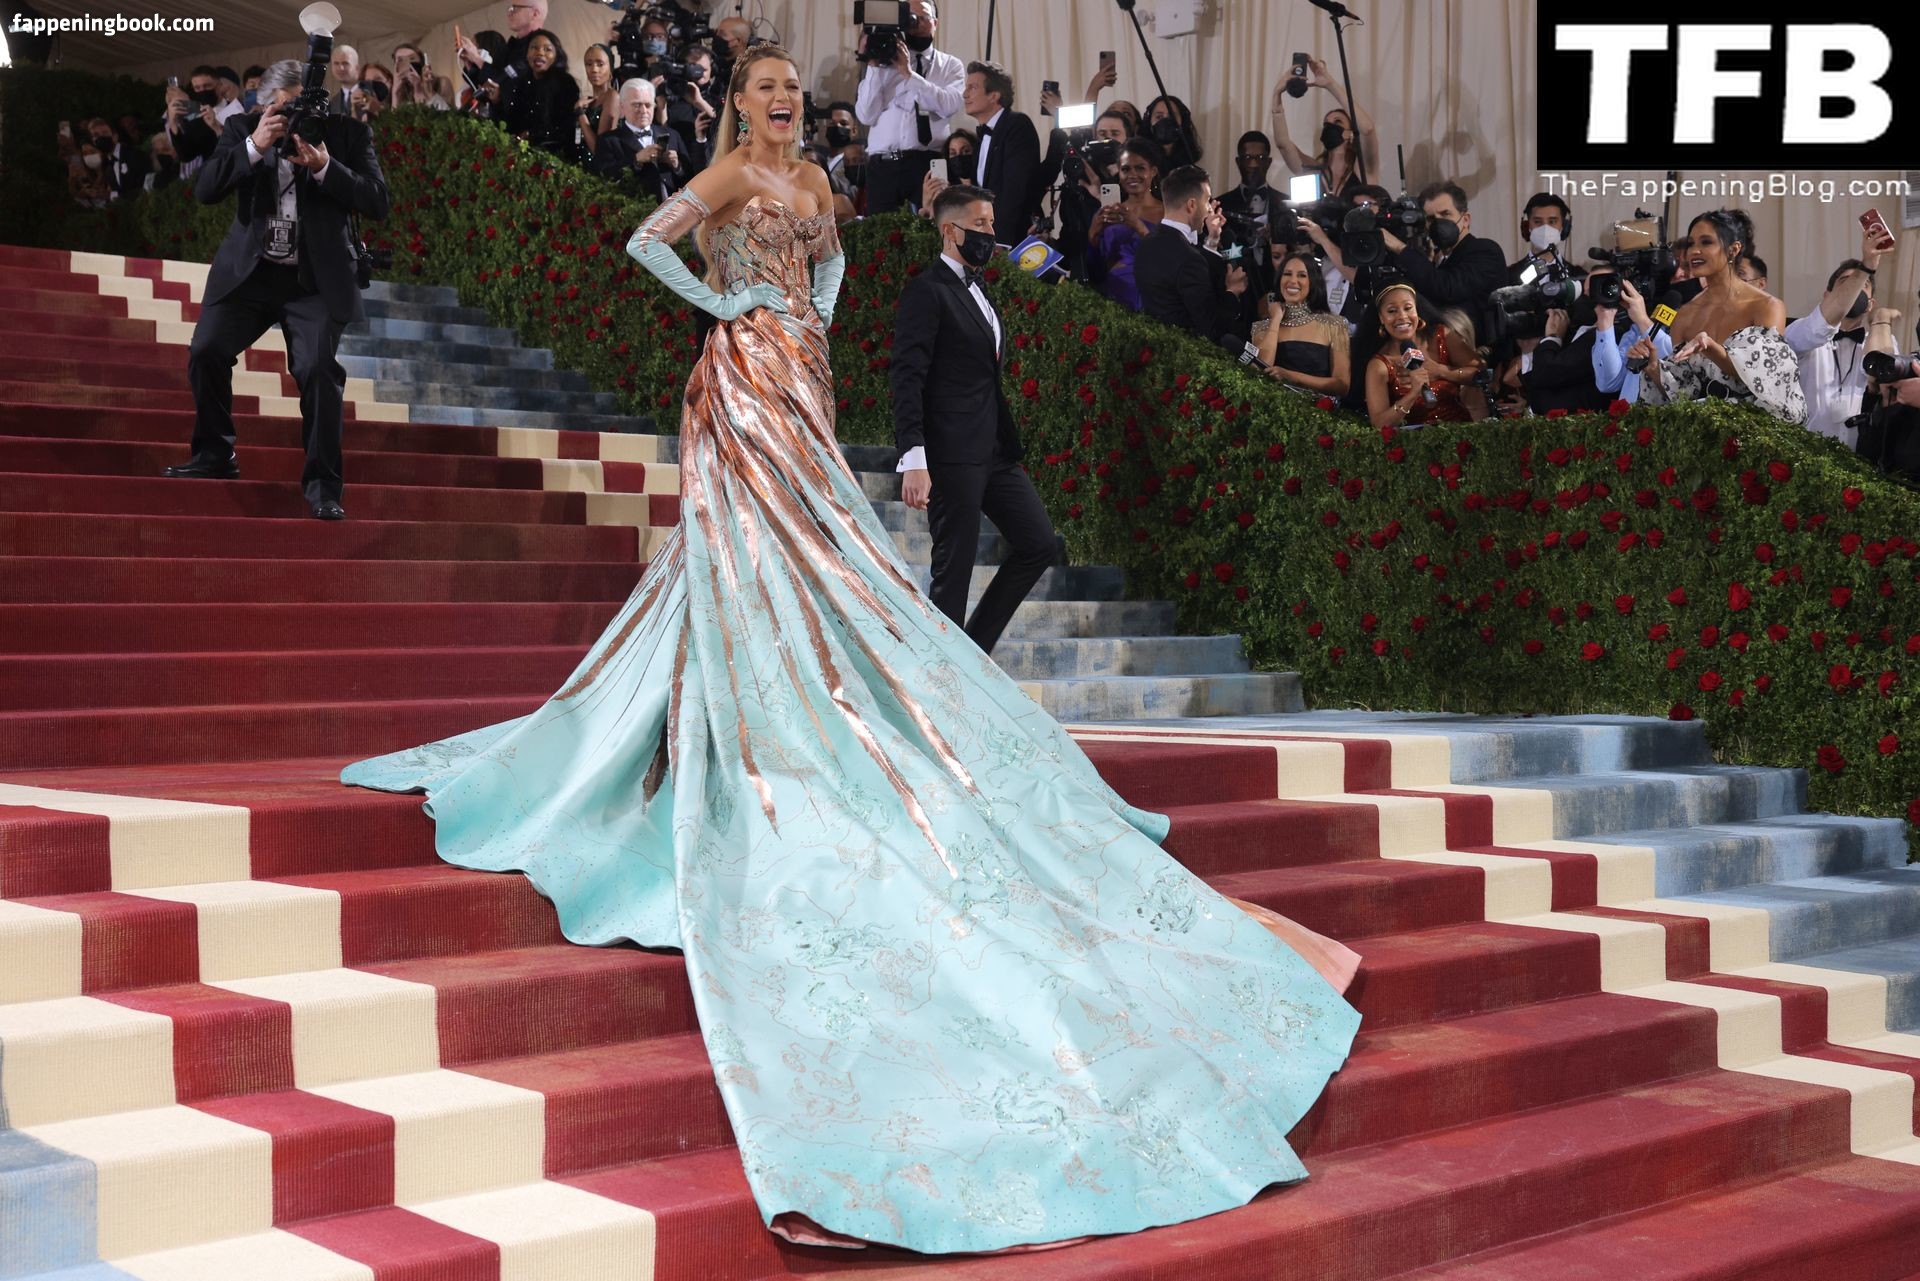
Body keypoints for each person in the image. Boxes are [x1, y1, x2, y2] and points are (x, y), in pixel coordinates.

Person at [340, 41, 1358, 1255]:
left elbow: (829, 265)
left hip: (804, 377)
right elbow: (646, 241)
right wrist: (733, 308)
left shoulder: (818, 185)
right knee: (746, 550)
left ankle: (809, 685)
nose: (782, 100)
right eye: (765, 88)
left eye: (790, 89)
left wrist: (812, 313)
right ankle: (743, 709)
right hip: (740, 380)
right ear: (738, 101)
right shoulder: (727, 179)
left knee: (813, 554)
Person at [164, 57, 390, 521]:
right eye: (286, 107)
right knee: (206, 350)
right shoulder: (242, 129)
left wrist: (326, 167)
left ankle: (324, 487)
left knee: (318, 370)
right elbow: (206, 189)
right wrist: (254, 146)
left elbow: (377, 201)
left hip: (314, 280)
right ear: (263, 104)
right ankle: (215, 453)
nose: (297, 117)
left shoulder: (346, 134)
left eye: (306, 106)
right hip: (252, 274)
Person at [893, 182, 1059, 654]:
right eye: (980, 224)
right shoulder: (927, 291)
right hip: (950, 453)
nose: (991, 232)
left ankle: (973, 655)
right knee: (954, 573)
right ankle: (942, 679)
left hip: (995, 451)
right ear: (950, 230)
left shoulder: (980, 288)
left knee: (1039, 543)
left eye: (992, 222)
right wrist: (914, 457)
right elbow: (907, 377)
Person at [1632, 209, 1804, 421]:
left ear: (1733, 249)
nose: (1694, 251)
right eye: (1691, 244)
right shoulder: (1684, 315)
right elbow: (1684, 393)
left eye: (1706, 242)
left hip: (1751, 430)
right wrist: (1653, 368)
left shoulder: (1766, 306)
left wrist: (1711, 348)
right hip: (1699, 432)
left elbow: (1765, 379)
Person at [1784, 225, 1897, 447]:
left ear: (1870, 303)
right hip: (1807, 454)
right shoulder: (1802, 330)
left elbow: (1882, 381)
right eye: (1845, 283)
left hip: (1862, 457)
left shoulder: (1882, 339)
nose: (1854, 291)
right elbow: (1816, 329)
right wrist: (1866, 267)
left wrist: (1880, 319)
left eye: (1863, 285)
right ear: (1827, 295)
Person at [854, 0, 963, 213]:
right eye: (911, 17)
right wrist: (873, 67)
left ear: (935, 23)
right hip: (884, 165)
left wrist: (908, 74)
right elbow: (866, 116)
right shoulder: (884, 63)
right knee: (881, 231)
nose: (917, 23)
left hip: (930, 162)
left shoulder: (950, 65)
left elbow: (949, 105)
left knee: (930, 227)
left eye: (924, 17)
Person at [1380, 181, 1508, 353]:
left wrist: (1399, 248)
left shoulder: (1485, 250)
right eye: (1431, 219)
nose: (1438, 223)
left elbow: (1448, 288)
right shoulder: (1434, 257)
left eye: (1445, 214)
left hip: (1478, 352)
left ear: (1465, 219)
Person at [1135, 164, 1247, 344]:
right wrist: (1232, 292)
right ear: (1192, 205)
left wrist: (1212, 241)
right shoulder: (1189, 258)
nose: (1209, 209)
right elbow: (1211, 328)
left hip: (1155, 347)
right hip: (1186, 352)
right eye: (1207, 200)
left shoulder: (1146, 244)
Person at [1365, 283, 1487, 427]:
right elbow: (1379, 423)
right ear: (1381, 318)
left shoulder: (1442, 336)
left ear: (1417, 309)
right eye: (1392, 311)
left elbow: (1482, 373)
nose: (1402, 316)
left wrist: (1442, 371)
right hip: (1414, 439)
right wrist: (1413, 394)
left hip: (1460, 433)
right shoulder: (1379, 365)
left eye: (1408, 308)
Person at [1269, 55, 1378, 200]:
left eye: (1337, 122)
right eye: (1326, 123)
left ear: (1350, 133)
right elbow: (1283, 144)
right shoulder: (1313, 170)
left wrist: (1330, 84)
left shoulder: (1362, 170)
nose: (1329, 126)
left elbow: (1367, 129)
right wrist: (1276, 95)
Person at [963, 60, 1040, 244]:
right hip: (987, 238)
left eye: (973, 87)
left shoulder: (1017, 125)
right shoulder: (982, 135)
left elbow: (1015, 191)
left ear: (994, 95)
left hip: (1011, 237)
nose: (964, 94)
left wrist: (998, 242)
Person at [1086, 136, 1166, 310]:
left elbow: (1171, 261)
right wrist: (1093, 236)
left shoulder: (1167, 212)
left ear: (1153, 171)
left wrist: (1139, 227)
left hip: (1153, 298)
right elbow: (1095, 270)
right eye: (1125, 169)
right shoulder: (1108, 212)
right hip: (1114, 298)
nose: (1132, 175)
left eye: (1140, 168)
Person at [1256, 250, 1350, 397]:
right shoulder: (1262, 327)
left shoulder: (1334, 325)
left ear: (1313, 281)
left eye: (1302, 275)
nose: (1293, 281)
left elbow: (1342, 385)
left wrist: (1291, 376)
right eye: (1287, 274)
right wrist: (1275, 320)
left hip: (1318, 409)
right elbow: (1260, 372)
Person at [593, 78, 692, 200]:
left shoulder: (672, 135)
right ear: (622, 108)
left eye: (648, 105)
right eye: (637, 105)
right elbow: (604, 180)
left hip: (675, 206)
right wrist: (636, 160)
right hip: (635, 207)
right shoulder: (608, 141)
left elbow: (691, 178)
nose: (644, 110)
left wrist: (677, 166)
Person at [498, 30, 580, 160]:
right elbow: (512, 120)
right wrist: (497, 101)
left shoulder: (564, 83)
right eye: (534, 48)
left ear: (557, 55)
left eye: (547, 49)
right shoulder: (523, 83)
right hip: (522, 155)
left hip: (554, 158)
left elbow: (565, 125)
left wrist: (532, 135)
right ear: (526, 54)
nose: (540, 53)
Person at [1592, 276, 1672, 406]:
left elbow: (1679, 377)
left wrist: (1642, 320)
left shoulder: (1695, 322)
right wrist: (1605, 317)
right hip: (1629, 416)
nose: (1679, 273)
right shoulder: (1635, 331)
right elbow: (1609, 383)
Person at [455, 0, 545, 98]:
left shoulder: (542, 49)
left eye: (515, 8)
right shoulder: (509, 48)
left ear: (535, 14)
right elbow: (486, 92)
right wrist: (469, 62)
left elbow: (509, 86)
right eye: (510, 8)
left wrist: (477, 58)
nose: (509, 13)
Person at [1509, 191, 1572, 283]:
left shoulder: (1579, 276)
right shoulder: (1508, 276)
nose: (1545, 228)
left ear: (1564, 227)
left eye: (1552, 222)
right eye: (1537, 222)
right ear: (1527, 226)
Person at [574, 42, 617, 157]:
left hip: (599, 168)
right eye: (589, 64)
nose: (594, 69)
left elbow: (600, 150)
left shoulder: (612, 97)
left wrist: (580, 114)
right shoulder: (586, 101)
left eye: (600, 64)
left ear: (611, 68)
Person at [1143, 93, 1202, 170]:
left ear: (1182, 121)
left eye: (1172, 116)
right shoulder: (1139, 158)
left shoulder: (1191, 165)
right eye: (1159, 117)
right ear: (1149, 122)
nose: (1165, 120)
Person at [392, 42, 450, 110]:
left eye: (412, 58)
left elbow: (447, 114)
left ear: (421, 62)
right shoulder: (400, 91)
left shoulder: (441, 83)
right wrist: (395, 92)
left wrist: (418, 90)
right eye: (401, 60)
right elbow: (394, 116)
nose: (408, 63)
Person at [327, 44, 359, 114]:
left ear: (356, 68)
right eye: (336, 63)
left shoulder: (370, 94)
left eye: (345, 63)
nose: (340, 68)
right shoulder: (333, 103)